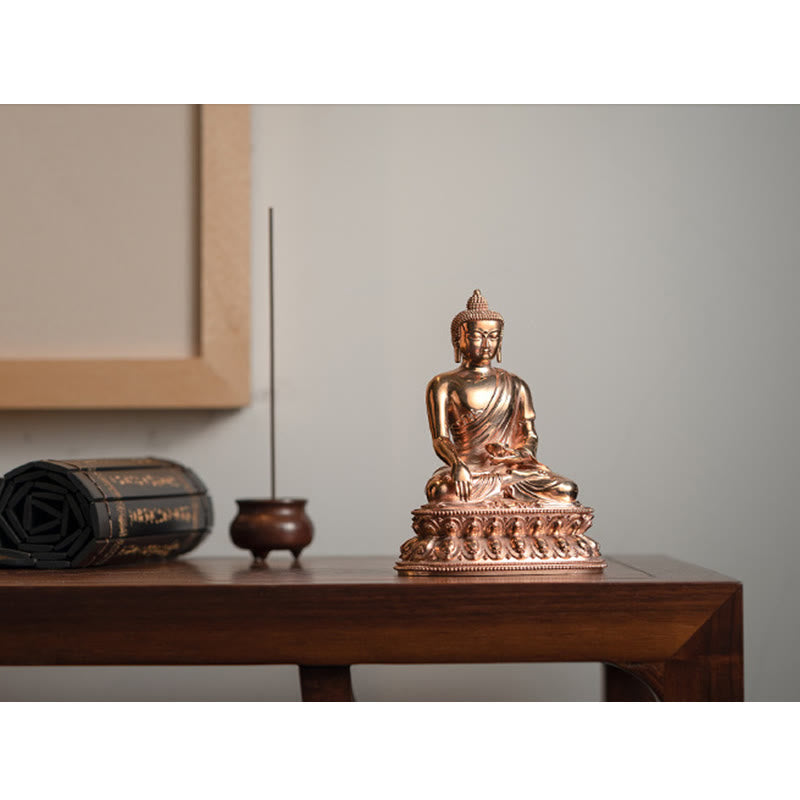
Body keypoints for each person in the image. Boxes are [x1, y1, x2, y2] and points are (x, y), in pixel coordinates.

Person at [424, 290, 578, 506]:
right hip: (470, 471)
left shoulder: (515, 385)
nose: (486, 344)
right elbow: (440, 439)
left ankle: (506, 483)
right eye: (477, 336)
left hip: (510, 469)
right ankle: (503, 485)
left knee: (566, 490)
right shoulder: (444, 384)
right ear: (458, 340)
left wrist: (519, 454)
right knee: (441, 491)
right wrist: (457, 464)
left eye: (493, 337)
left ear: (501, 341)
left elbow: (529, 435)